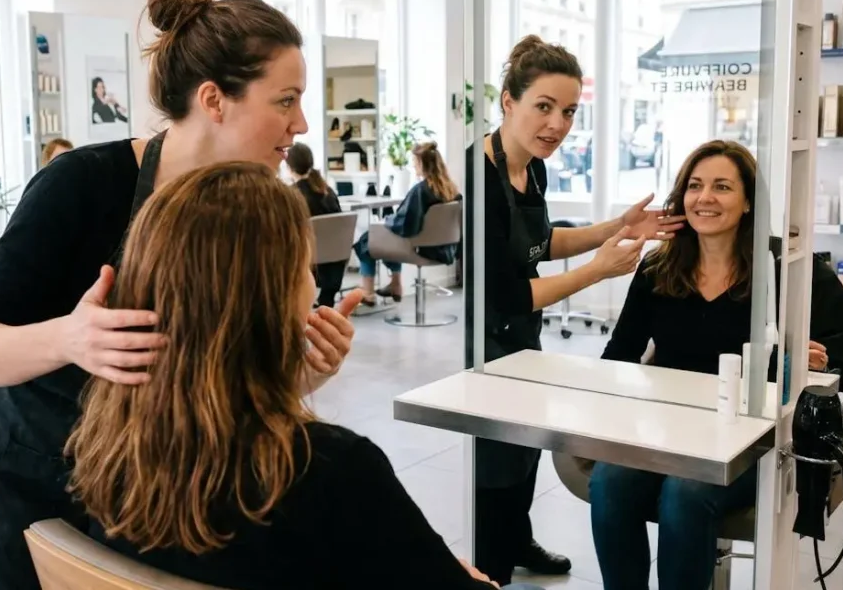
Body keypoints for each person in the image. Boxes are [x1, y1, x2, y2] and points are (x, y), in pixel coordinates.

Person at [0, 0, 363, 590]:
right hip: (22, 471)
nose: (300, 125)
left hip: (144, 480)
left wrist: (303, 372)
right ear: (214, 100)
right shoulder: (82, 185)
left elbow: (220, 377)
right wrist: (67, 339)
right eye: (285, 99)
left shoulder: (254, 208)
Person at [69, 161, 539, 590]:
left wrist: (287, 383)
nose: (315, 284)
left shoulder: (105, 449)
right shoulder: (328, 470)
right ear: (267, 293)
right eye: (304, 266)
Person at [592, 139, 843, 590]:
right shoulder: (657, 270)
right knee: (611, 481)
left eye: (722, 186)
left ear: (749, 200)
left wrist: (806, 364)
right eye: (695, 186)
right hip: (669, 430)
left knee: (687, 491)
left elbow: (840, 356)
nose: (705, 198)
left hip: (752, 441)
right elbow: (619, 355)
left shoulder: (790, 270)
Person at [470, 34, 686, 586]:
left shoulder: (533, 169)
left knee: (527, 447)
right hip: (485, 341)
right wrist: (600, 271)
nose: (557, 125)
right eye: (544, 107)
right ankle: (491, 568)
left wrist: (618, 226)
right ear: (508, 101)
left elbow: (543, 244)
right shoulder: (481, 176)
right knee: (496, 464)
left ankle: (518, 542)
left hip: (522, 336)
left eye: (567, 111)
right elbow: (509, 293)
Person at [352, 141, 460, 307]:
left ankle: (368, 293)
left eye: (415, 163)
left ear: (422, 164)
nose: (414, 167)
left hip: (420, 248)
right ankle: (395, 285)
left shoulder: (421, 190)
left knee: (366, 241)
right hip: (444, 249)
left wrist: (386, 221)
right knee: (385, 238)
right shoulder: (452, 190)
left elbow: (407, 226)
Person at [286, 141, 346, 307]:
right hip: (334, 264)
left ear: (289, 167)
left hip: (307, 263)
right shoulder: (327, 191)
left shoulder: (290, 196)